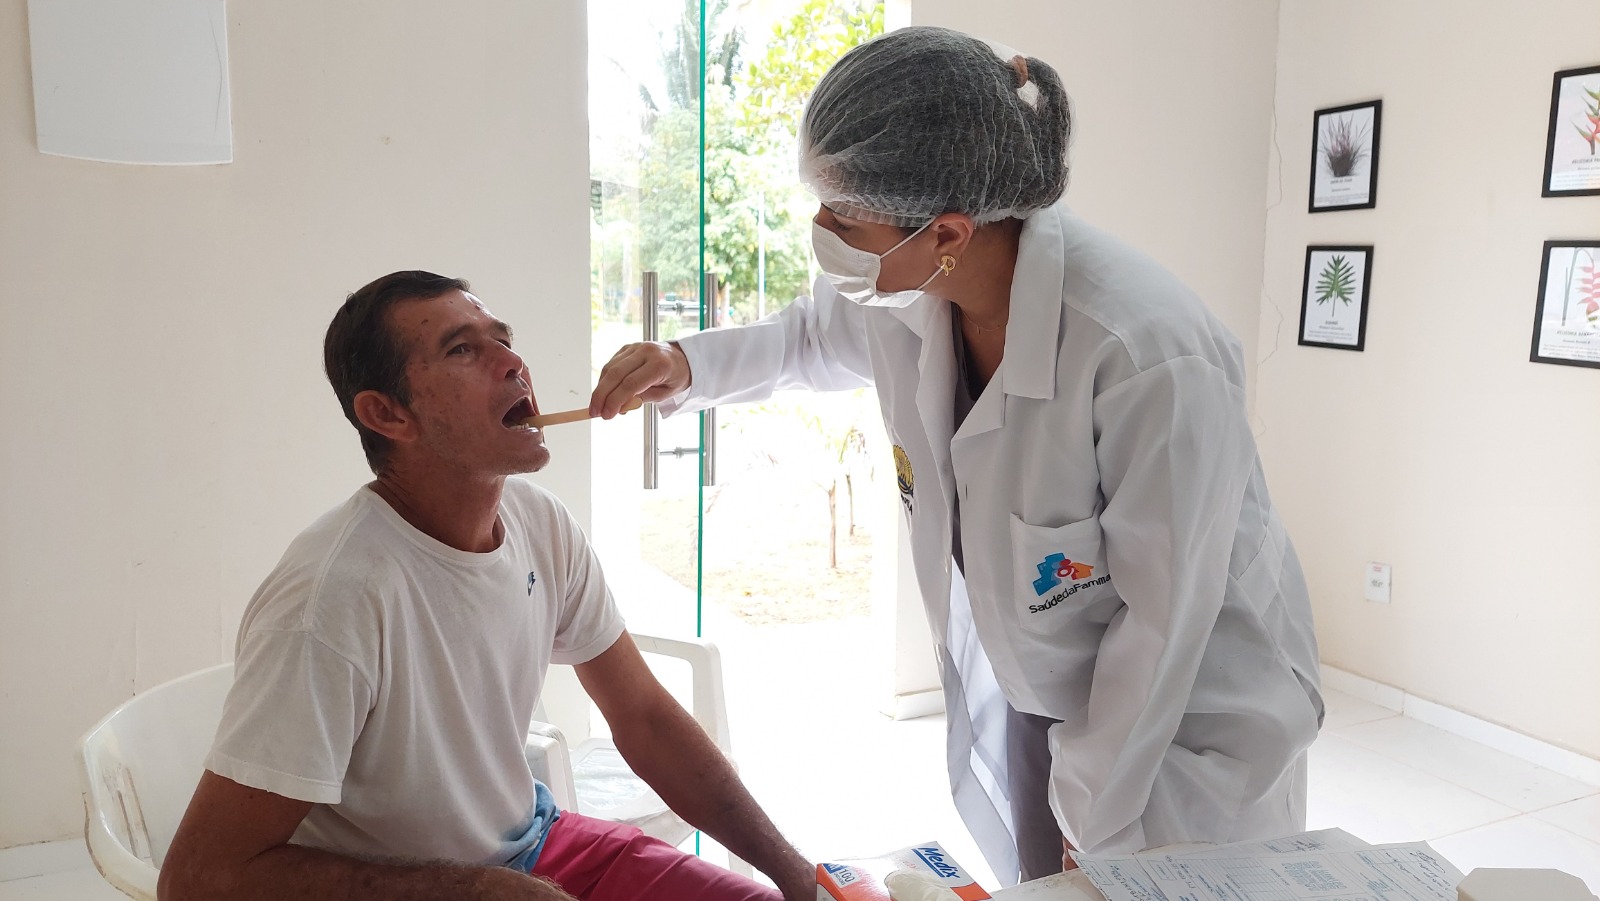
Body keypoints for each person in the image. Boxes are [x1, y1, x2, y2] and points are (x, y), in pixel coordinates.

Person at [590, 26, 1323, 886]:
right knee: (1036, 865)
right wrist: (687, 364)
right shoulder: (910, 289)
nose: (821, 231)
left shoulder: (1143, 349)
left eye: (842, 217)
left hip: (1188, 725)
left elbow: (1164, 625)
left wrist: (1093, 806)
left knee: (1143, 874)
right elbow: (808, 337)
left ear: (946, 230)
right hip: (1041, 682)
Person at [158, 271, 813, 901]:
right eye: (463, 349)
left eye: (502, 337)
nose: (512, 362)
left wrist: (798, 876)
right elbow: (199, 878)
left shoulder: (541, 524)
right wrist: (473, 890)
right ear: (388, 414)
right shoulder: (335, 596)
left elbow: (643, 716)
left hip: (536, 845)